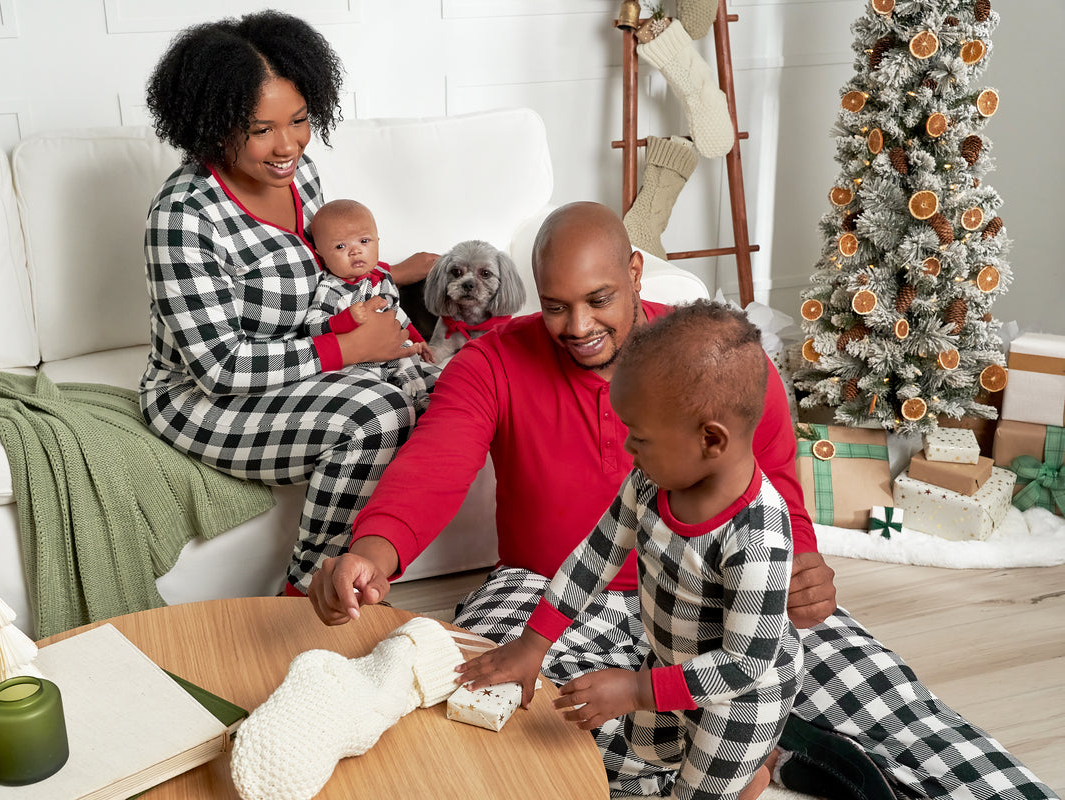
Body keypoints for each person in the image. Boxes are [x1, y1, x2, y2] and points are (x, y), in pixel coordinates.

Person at [309, 202, 1057, 800]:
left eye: (599, 299)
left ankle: (768, 742)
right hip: (547, 591)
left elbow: (780, 495)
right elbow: (435, 466)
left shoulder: (721, 363)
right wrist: (374, 550)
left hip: (726, 596)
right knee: (498, 722)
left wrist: (804, 564)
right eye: (557, 306)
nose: (577, 328)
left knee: (897, 708)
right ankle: (756, 753)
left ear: (636, 272)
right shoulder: (494, 360)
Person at [138, 10, 437, 595]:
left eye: (299, 120)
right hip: (199, 397)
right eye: (260, 129)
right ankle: (307, 589)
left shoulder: (301, 178)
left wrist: (387, 298)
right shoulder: (183, 217)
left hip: (301, 368)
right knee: (375, 414)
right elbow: (218, 367)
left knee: (434, 387)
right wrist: (348, 348)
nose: (287, 145)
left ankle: (359, 575)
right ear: (213, 124)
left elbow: (332, 271)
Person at [458, 300, 801, 800]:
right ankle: (748, 773)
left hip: (738, 701)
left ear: (710, 440)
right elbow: (594, 557)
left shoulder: (759, 536)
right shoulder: (650, 480)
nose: (627, 450)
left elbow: (746, 664)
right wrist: (534, 645)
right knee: (642, 759)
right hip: (666, 659)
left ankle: (751, 771)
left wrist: (637, 690)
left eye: (638, 438)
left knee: (695, 790)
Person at [305, 199, 439, 412]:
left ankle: (420, 400)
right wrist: (345, 320)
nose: (355, 251)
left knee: (412, 363)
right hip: (357, 362)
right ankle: (401, 404)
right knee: (369, 389)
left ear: (378, 240)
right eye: (341, 246)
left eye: (364, 241)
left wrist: (418, 339)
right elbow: (312, 325)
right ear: (320, 253)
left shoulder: (382, 277)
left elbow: (396, 315)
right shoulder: (331, 289)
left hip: (392, 350)